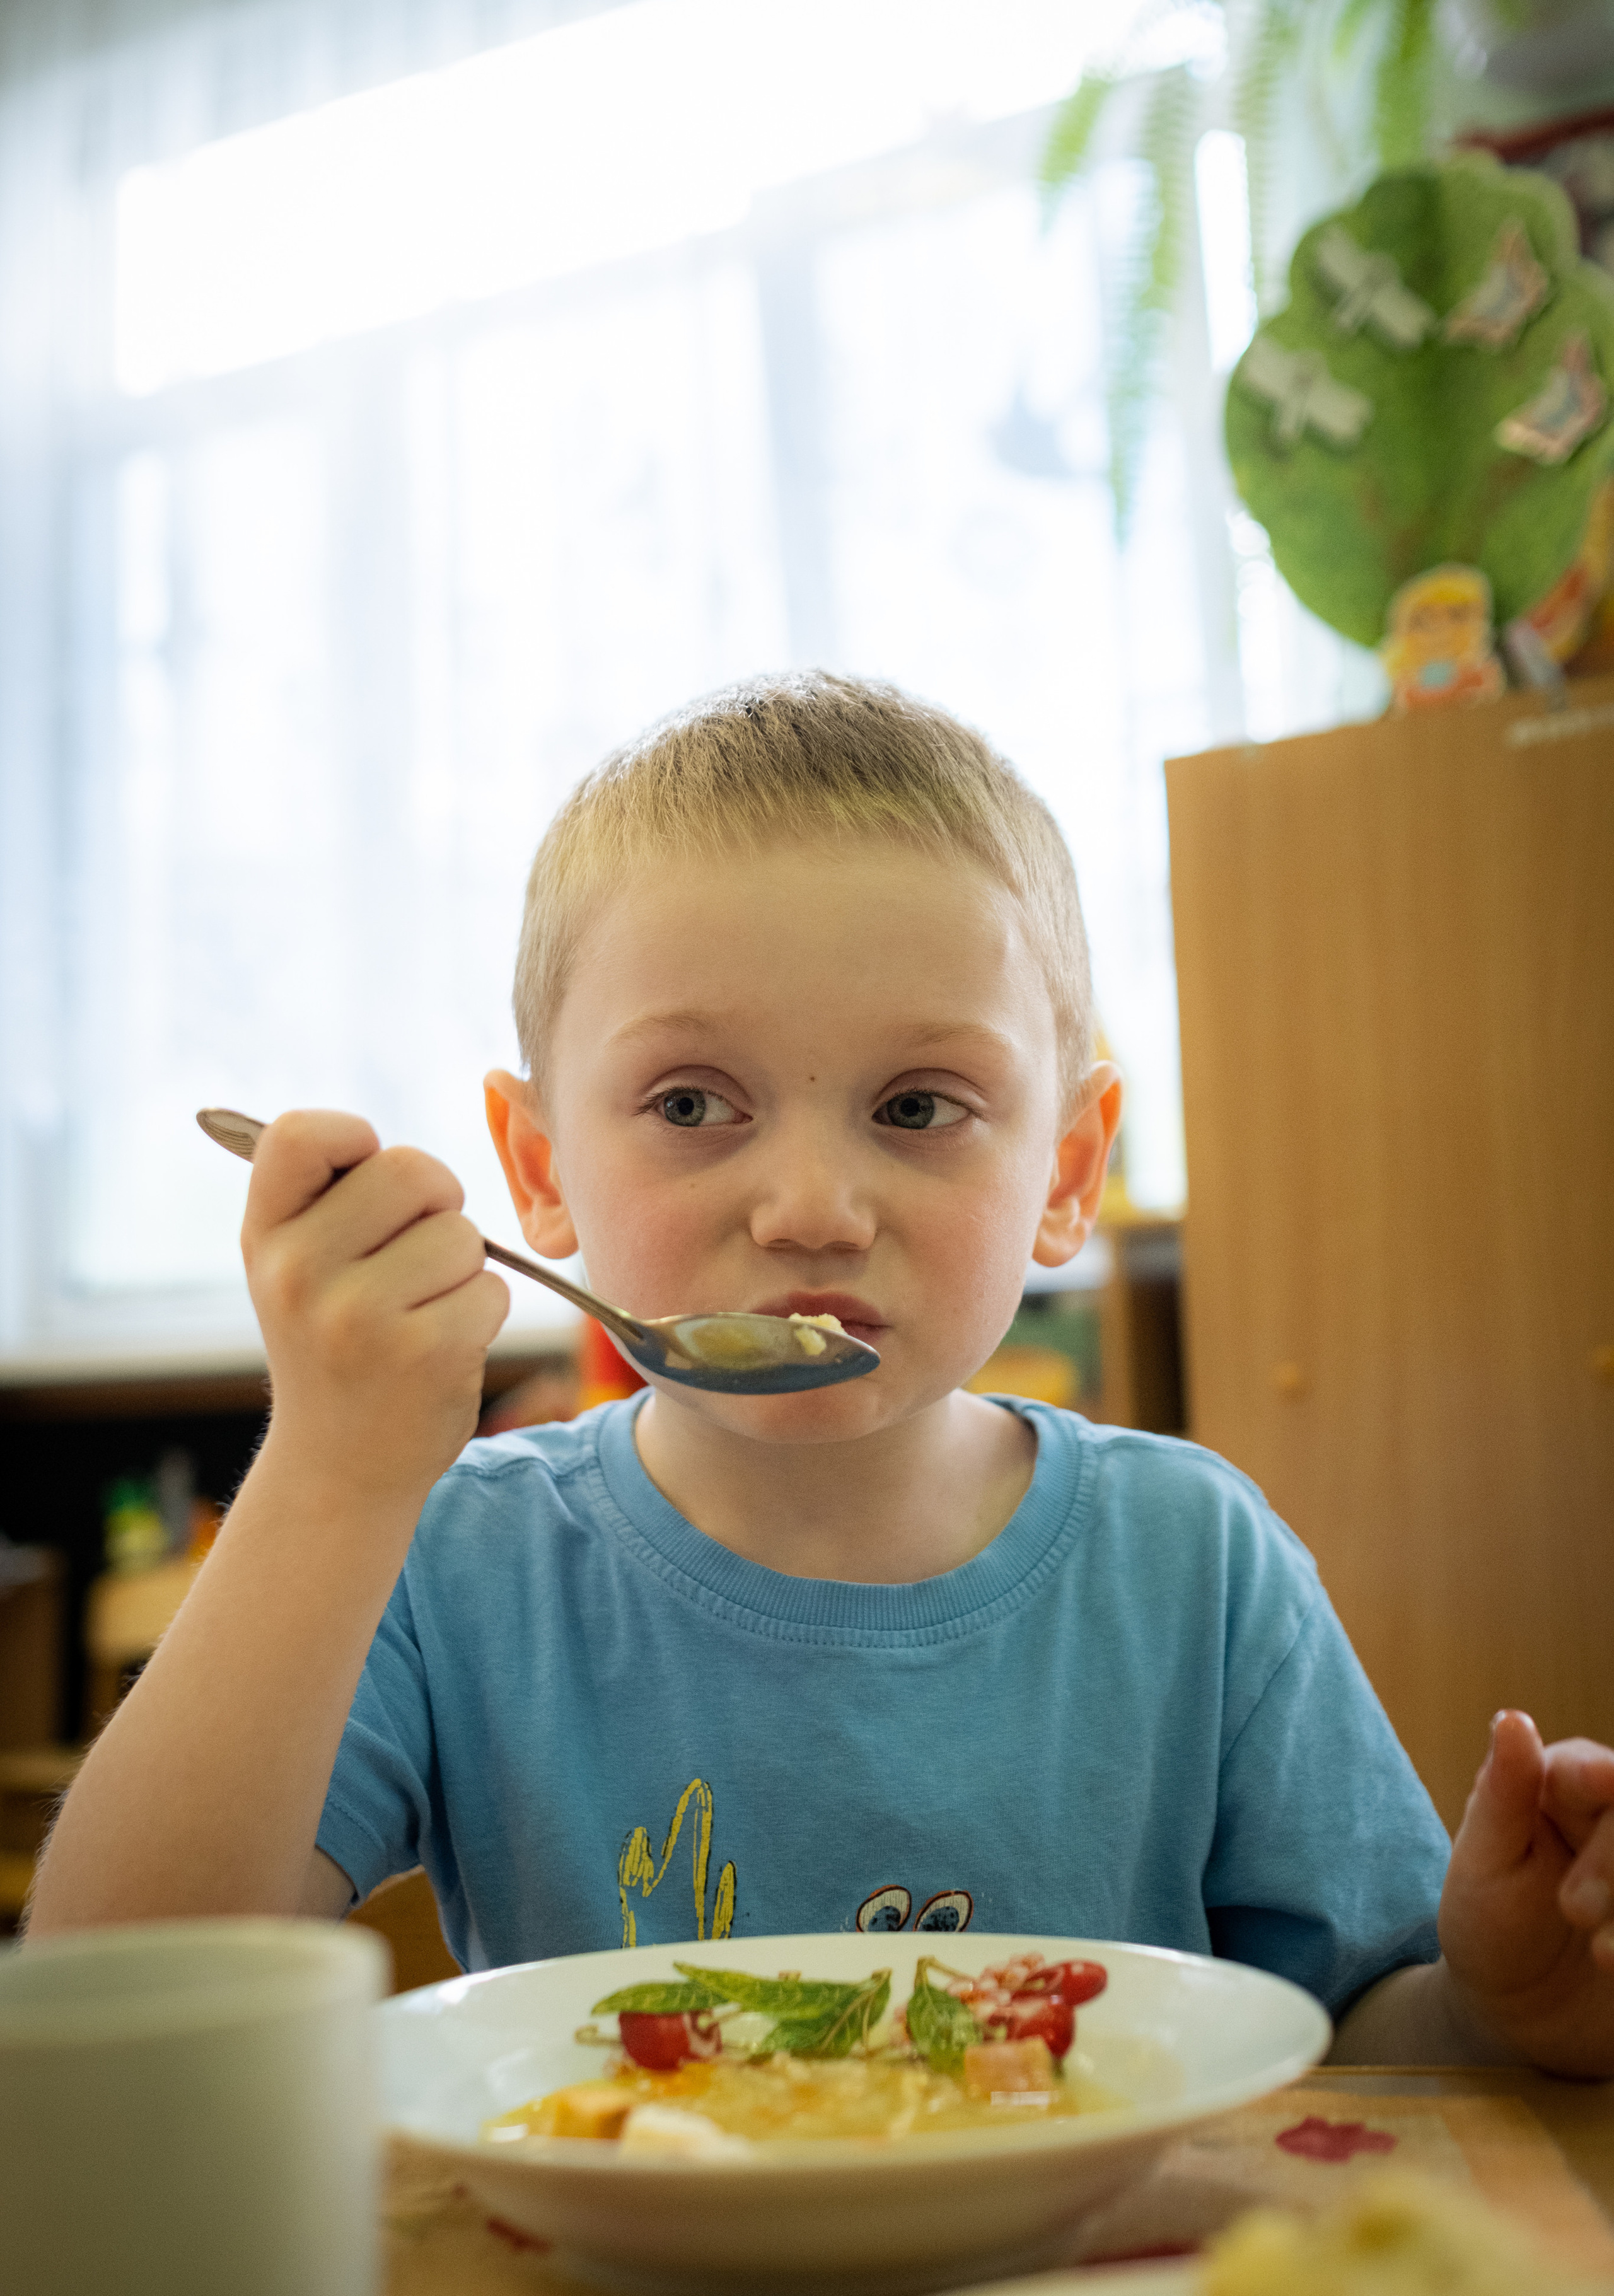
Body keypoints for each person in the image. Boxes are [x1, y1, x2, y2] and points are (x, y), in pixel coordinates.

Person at [29, 674, 1614, 2076]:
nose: (808, 1209)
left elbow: (1358, 2038)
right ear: (539, 1164)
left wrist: (1499, 2012)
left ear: (1065, 1170)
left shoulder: (1193, 1566)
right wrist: (329, 1468)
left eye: (918, 1108)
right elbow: (110, 2000)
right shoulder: (453, 1559)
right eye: (692, 1103)